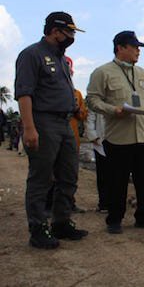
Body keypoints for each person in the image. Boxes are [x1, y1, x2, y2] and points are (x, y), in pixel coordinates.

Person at [14, 11, 88, 249]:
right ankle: (38, 229)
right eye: (69, 32)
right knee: (41, 178)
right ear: (55, 32)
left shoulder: (61, 58)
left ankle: (61, 222)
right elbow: (24, 94)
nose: (72, 36)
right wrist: (29, 129)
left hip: (65, 123)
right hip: (43, 123)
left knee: (68, 175)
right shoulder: (31, 55)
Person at [86, 30, 144, 234]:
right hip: (117, 138)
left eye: (139, 47)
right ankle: (114, 219)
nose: (138, 51)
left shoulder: (143, 74)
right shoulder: (102, 72)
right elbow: (92, 100)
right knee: (117, 182)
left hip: (141, 137)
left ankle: (143, 216)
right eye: (134, 47)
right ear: (120, 48)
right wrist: (113, 110)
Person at [45, 56, 88, 214]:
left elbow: (83, 115)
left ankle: (69, 203)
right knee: (50, 173)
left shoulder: (77, 93)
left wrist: (77, 110)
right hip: (52, 137)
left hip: (72, 138)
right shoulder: (48, 91)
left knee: (69, 173)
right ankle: (48, 205)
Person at [85, 109, 108, 213]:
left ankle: (116, 201)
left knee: (117, 174)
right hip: (100, 141)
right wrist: (93, 136)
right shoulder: (95, 99)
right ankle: (103, 203)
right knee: (103, 174)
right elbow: (89, 118)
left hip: (119, 139)